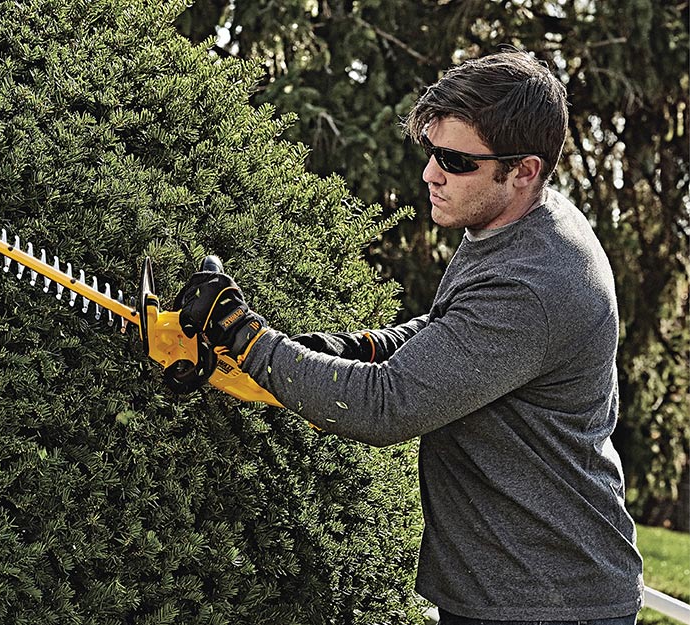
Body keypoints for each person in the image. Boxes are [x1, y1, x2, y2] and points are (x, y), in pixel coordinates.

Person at [174, 51, 643, 624]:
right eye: (431, 152)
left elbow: (384, 407)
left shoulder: (535, 283)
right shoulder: (513, 224)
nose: (431, 174)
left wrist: (244, 336)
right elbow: (456, 330)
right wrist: (358, 347)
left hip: (544, 601)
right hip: (514, 587)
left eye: (455, 160)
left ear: (524, 170)